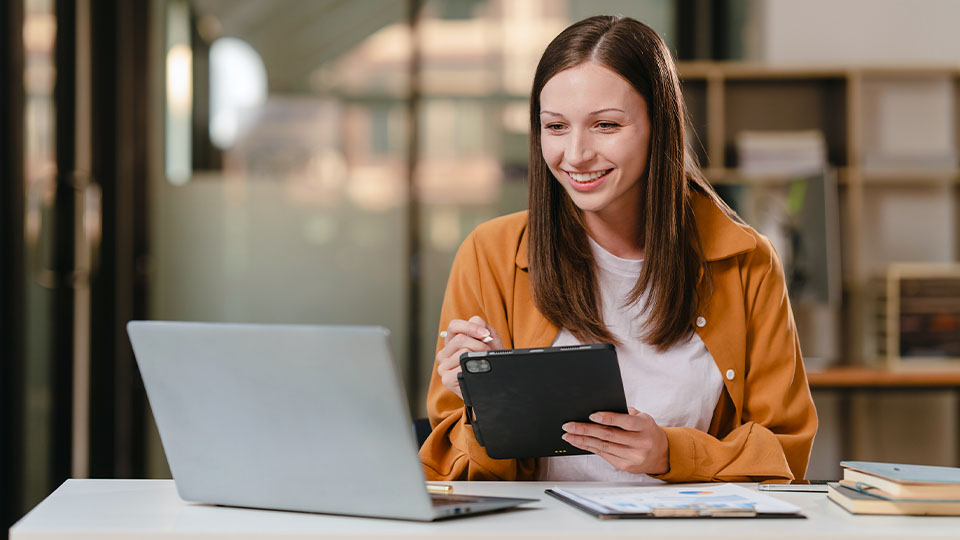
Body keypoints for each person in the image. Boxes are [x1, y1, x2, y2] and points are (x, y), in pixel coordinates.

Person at [419, 15, 818, 482]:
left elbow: (786, 451)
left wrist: (672, 454)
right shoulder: (490, 254)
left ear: (659, 126)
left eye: (606, 125)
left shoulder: (747, 261)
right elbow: (449, 474)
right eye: (556, 126)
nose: (576, 154)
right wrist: (487, 405)